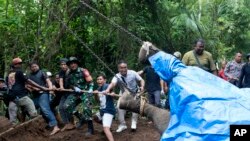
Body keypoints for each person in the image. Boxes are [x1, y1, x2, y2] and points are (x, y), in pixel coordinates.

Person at [138, 41, 250, 141]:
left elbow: (213, 71)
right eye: (199, 46)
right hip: (193, 85)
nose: (201, 48)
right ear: (194, 46)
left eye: (203, 47)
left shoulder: (204, 58)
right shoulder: (185, 62)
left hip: (205, 83)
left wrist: (217, 83)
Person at [105, 60, 145, 132]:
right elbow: (113, 83)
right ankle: (122, 125)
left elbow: (141, 80)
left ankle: (134, 123)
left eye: (125, 67)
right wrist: (108, 89)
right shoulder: (117, 76)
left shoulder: (133, 73)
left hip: (135, 92)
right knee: (119, 107)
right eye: (121, 68)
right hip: (124, 93)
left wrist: (142, 86)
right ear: (118, 69)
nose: (123, 69)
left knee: (135, 108)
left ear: (127, 67)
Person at [6, 58, 47, 125]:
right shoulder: (19, 71)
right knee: (32, 111)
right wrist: (40, 87)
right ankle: (37, 127)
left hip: (11, 97)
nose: (20, 65)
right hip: (21, 96)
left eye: (20, 63)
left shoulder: (9, 74)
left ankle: (13, 128)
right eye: (19, 64)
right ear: (15, 65)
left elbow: (12, 85)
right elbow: (28, 81)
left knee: (12, 119)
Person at [62, 57, 94, 135]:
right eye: (71, 64)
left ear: (77, 63)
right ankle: (81, 118)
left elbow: (91, 82)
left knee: (86, 108)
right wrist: (74, 87)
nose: (73, 65)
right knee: (66, 106)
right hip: (76, 93)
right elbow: (69, 84)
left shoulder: (83, 71)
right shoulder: (68, 73)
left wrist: (90, 89)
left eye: (74, 63)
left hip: (85, 92)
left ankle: (90, 128)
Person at [27, 62, 60, 135]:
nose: (34, 68)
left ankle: (55, 126)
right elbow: (28, 85)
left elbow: (48, 81)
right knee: (29, 108)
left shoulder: (42, 73)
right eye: (32, 67)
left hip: (44, 93)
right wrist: (33, 88)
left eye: (35, 66)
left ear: (38, 66)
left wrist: (51, 89)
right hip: (35, 96)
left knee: (45, 108)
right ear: (30, 68)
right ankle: (47, 124)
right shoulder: (29, 76)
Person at [93, 73, 116, 141]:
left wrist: (112, 94)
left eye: (100, 79)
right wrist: (95, 95)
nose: (99, 80)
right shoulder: (99, 88)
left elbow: (112, 90)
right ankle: (108, 127)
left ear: (105, 80)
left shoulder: (107, 86)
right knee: (95, 117)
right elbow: (98, 101)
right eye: (97, 79)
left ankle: (107, 130)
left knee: (105, 128)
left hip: (108, 110)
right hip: (102, 110)